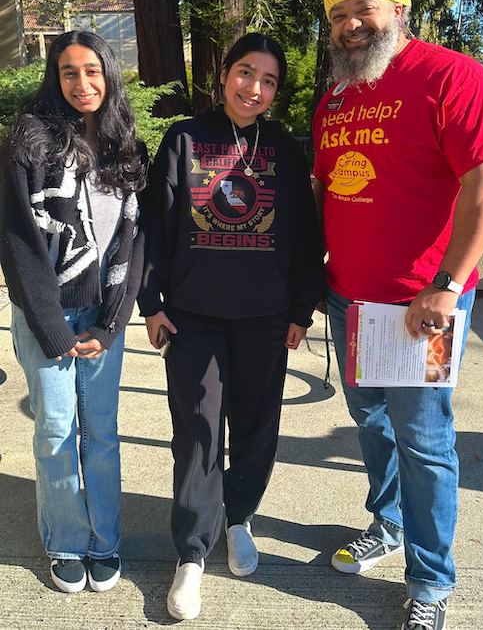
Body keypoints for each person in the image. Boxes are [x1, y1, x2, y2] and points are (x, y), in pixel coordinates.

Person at [309, 0, 483, 630]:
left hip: (423, 301)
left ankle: (432, 580)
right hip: (350, 299)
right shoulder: (336, 97)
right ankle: (387, 524)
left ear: (398, 6)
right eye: (338, 16)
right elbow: (326, 191)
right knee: (371, 421)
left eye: (363, 9)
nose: (351, 26)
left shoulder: (453, 76)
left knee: (424, 440)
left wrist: (447, 285)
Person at [138, 32, 324, 620]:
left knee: (256, 427)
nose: (255, 88)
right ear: (224, 74)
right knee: (196, 431)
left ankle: (238, 516)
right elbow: (154, 224)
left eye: (269, 81)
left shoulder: (285, 154)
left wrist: (300, 310)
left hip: (266, 319)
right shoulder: (185, 138)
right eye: (247, 73)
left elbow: (305, 236)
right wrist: (151, 301)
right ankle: (191, 553)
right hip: (194, 315)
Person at [0, 31, 148, 594]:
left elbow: (134, 244)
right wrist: (54, 330)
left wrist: (112, 324)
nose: (82, 84)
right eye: (69, 72)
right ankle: (65, 541)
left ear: (109, 74)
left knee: (102, 433)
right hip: (47, 317)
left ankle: (104, 539)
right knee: (57, 431)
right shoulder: (29, 141)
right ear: (54, 77)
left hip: (101, 318)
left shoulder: (124, 146)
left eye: (92, 71)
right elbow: (18, 244)